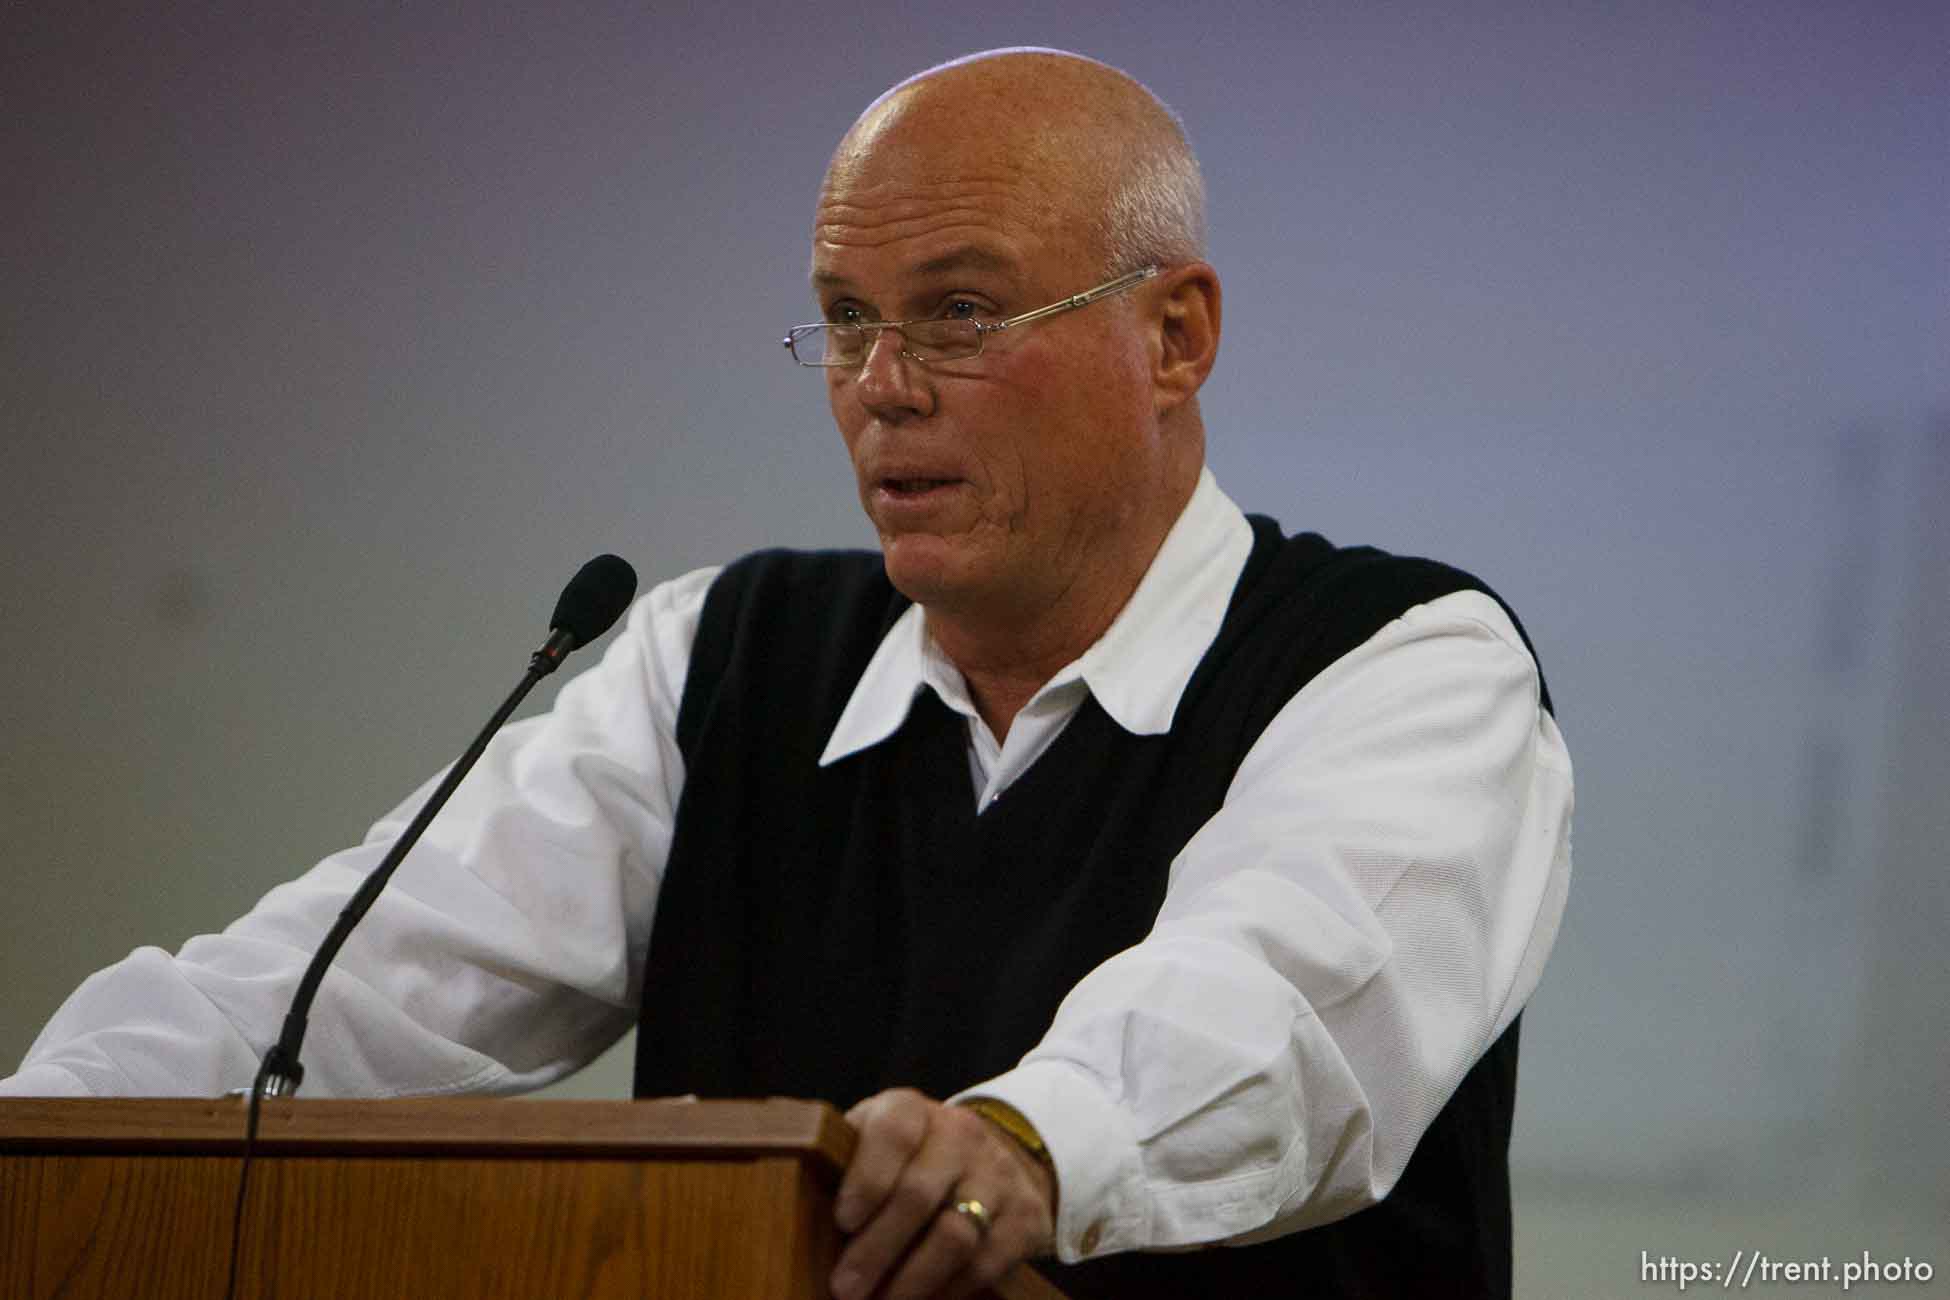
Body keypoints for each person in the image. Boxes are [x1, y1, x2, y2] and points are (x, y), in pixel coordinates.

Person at [1, 48, 1573, 1300]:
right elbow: (323, 998)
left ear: (1173, 336)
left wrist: (1026, 1145)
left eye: (958, 312)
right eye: (841, 324)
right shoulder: (725, 659)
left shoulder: (1401, 664)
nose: (882, 390)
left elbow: (1283, 1000)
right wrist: (40, 1132)